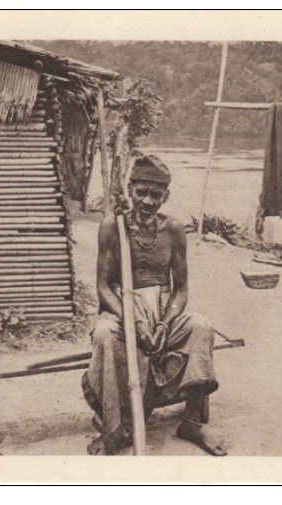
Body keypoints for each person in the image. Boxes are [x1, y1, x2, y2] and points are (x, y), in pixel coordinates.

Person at [81, 154, 227, 456]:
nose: (147, 201)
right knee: (105, 336)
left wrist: (163, 323)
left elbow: (181, 289)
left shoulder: (173, 229)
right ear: (130, 189)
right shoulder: (113, 225)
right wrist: (132, 320)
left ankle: (191, 422)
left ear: (166, 196)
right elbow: (103, 286)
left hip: (163, 311)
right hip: (122, 308)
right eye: (141, 192)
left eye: (156, 195)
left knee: (201, 326)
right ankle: (113, 428)